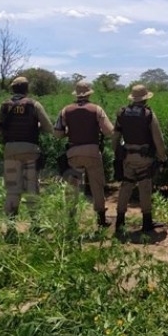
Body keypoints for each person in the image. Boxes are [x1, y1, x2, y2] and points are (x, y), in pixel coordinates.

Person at [0, 76, 53, 228]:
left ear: (13, 89)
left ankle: (11, 225)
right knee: (32, 188)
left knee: (13, 189)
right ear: (27, 89)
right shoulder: (34, 105)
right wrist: (36, 126)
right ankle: (36, 225)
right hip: (30, 149)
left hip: (11, 149)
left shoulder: (3, 106)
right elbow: (48, 128)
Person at [54, 80, 114, 228]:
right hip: (93, 152)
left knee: (72, 187)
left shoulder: (65, 110)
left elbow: (57, 134)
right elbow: (109, 131)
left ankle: (71, 220)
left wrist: (70, 132)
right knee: (97, 185)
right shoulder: (97, 110)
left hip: (73, 153)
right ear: (89, 94)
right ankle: (101, 218)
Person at [112, 85, 167, 233]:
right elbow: (158, 139)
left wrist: (117, 153)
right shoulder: (148, 114)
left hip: (127, 156)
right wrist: (163, 157)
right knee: (145, 187)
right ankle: (147, 222)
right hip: (144, 157)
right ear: (145, 99)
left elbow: (115, 136)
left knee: (126, 186)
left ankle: (120, 221)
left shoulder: (122, 113)